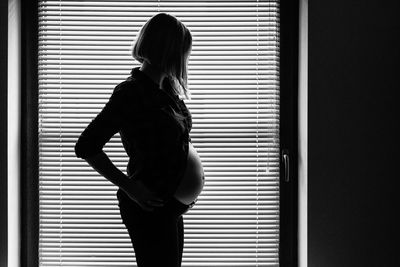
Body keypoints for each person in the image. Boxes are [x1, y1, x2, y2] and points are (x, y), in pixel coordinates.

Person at [74, 13, 205, 267]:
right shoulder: (131, 91)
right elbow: (87, 145)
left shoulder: (167, 91)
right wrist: (130, 187)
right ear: (168, 51)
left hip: (170, 206)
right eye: (183, 53)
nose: (184, 60)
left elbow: (176, 144)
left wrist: (187, 188)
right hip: (150, 209)